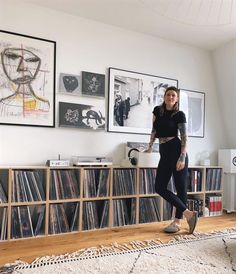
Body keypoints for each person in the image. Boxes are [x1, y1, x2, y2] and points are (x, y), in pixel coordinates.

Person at [146, 86, 198, 234]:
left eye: (173, 95)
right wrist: (149, 147)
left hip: (176, 151)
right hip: (164, 151)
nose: (170, 97)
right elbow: (154, 130)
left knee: (180, 187)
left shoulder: (179, 114)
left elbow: (184, 137)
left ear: (177, 98)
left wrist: (182, 157)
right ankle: (189, 214)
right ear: (164, 96)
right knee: (159, 187)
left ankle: (177, 222)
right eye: (168, 94)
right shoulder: (157, 110)